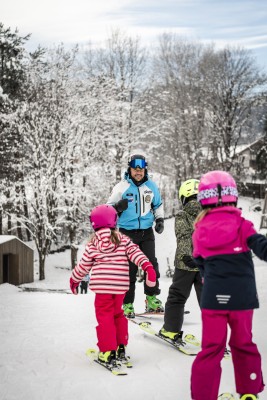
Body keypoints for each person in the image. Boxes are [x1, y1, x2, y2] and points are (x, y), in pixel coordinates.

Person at [190, 170, 266, 400]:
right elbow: (261, 246)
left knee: (212, 348)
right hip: (242, 299)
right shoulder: (242, 224)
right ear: (233, 196)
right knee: (243, 344)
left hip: (214, 299)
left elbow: (199, 260)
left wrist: (207, 275)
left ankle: (204, 396)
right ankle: (250, 391)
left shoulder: (199, 230)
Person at [69, 204, 156, 366]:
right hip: (120, 288)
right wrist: (148, 267)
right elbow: (136, 253)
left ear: (94, 223)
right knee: (118, 315)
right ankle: (120, 346)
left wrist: (74, 279)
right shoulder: (123, 240)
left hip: (102, 289)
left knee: (105, 318)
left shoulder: (93, 244)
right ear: (114, 221)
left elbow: (83, 266)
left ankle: (108, 351)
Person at [107, 153, 164, 318]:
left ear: (145, 169)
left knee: (151, 265)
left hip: (146, 231)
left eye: (141, 169)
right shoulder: (121, 188)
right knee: (128, 269)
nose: (138, 172)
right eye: (135, 169)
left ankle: (151, 298)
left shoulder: (151, 186)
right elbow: (107, 210)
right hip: (126, 233)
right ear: (129, 169)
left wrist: (159, 219)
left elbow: (158, 204)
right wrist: (117, 207)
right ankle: (127, 303)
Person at [159, 179, 202, 343]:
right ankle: (217, 337)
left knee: (177, 296)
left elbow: (184, 237)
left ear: (184, 197)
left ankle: (170, 330)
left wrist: (187, 256)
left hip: (186, 265)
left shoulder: (183, 215)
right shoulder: (211, 215)